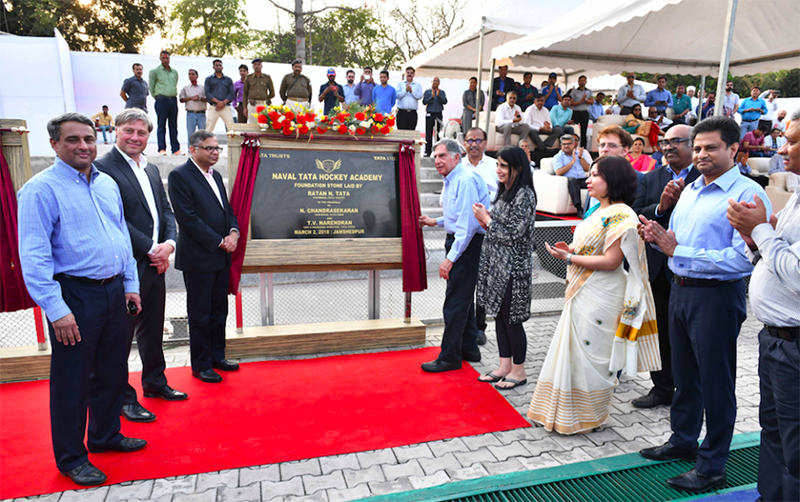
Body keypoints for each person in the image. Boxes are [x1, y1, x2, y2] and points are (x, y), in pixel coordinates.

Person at [639, 116, 771, 494]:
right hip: (680, 290)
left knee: (716, 382)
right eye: (697, 148)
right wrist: (657, 233)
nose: (701, 154)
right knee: (684, 375)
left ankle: (713, 466)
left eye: (711, 147)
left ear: (733, 149)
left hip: (715, 296)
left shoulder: (747, 195)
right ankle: (683, 440)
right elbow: (673, 242)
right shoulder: (690, 189)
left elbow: (743, 259)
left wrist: (678, 249)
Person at [17, 113, 145, 486]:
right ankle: (72, 457)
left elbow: (120, 234)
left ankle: (105, 436)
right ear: (55, 145)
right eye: (73, 140)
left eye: (89, 139)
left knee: (111, 371)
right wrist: (57, 311)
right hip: (74, 296)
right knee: (73, 382)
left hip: (113, 290)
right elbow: (35, 255)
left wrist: (130, 283)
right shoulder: (41, 190)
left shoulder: (106, 184)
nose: (84, 146)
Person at [529, 155, 659, 434]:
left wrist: (569, 258)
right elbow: (592, 250)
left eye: (596, 175)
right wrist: (573, 251)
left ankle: (589, 417)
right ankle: (563, 413)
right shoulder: (597, 211)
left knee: (593, 355)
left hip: (603, 291)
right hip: (585, 290)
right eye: (590, 174)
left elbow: (612, 261)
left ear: (613, 181)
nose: (589, 179)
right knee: (575, 354)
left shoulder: (623, 215)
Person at [94, 109, 187, 423]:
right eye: (129, 131)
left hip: (155, 264)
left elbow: (166, 212)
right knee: (121, 338)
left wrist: (169, 245)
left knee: (152, 330)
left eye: (141, 132)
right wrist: (151, 248)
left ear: (149, 135)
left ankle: (155, 382)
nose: (135, 137)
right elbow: (114, 219)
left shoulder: (149, 168)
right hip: (125, 267)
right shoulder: (102, 168)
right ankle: (124, 398)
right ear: (116, 131)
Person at [727, 108, 800, 502]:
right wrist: (757, 242)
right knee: (772, 431)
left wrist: (759, 230)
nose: (782, 148)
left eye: (791, 141)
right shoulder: (796, 197)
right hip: (776, 340)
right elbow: (776, 257)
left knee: (795, 445)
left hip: (794, 344)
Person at [630, 125, 700, 410]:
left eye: (676, 142)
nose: (669, 147)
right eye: (665, 143)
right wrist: (661, 207)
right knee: (660, 332)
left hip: (693, 269)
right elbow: (636, 213)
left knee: (688, 335)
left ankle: (689, 392)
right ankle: (661, 388)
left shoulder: (704, 177)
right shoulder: (653, 178)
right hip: (659, 269)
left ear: (693, 145)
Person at [168, 130, 241, 384]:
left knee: (219, 310)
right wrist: (218, 241)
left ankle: (217, 356)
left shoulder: (216, 175)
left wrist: (233, 232)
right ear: (193, 149)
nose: (214, 152)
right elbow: (187, 218)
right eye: (208, 148)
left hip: (221, 256)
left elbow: (227, 209)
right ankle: (200, 364)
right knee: (200, 313)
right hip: (199, 258)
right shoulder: (180, 176)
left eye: (216, 148)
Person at [418, 139, 489, 372]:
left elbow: (468, 225)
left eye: (442, 156)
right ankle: (469, 348)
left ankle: (449, 357)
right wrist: (435, 221)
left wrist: (450, 259)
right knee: (463, 299)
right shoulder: (453, 178)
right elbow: (457, 216)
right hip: (461, 241)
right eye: (435, 157)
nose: (437, 161)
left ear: (456, 157)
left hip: (466, 245)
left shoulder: (465, 180)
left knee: (455, 303)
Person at [473, 146, 537, 390]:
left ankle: (519, 371)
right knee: (499, 315)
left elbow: (512, 233)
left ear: (517, 169)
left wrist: (486, 220)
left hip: (513, 267)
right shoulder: (506, 191)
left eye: (503, 166)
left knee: (512, 319)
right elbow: (501, 224)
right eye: (497, 165)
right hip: (497, 266)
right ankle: (504, 366)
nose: (498, 170)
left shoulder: (525, 194)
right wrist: (487, 216)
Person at [459, 127, 500, 345]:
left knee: (482, 281)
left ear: (485, 143)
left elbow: (502, 196)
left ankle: (480, 327)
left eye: (478, 140)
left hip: (488, 230)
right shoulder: (458, 166)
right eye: (469, 140)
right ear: (464, 143)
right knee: (465, 280)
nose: (474, 144)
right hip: (464, 231)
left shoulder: (495, 166)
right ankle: (466, 325)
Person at [149, 51, 181, 156]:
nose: (166, 60)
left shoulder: (174, 72)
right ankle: (161, 148)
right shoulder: (155, 71)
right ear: (160, 58)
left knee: (173, 125)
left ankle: (176, 149)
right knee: (161, 125)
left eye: (167, 58)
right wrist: (157, 97)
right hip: (162, 100)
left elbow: (175, 84)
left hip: (173, 99)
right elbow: (151, 87)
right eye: (163, 58)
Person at [553, 134, 592, 215]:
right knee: (573, 181)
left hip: (582, 179)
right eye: (564, 144)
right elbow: (559, 172)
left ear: (573, 144)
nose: (566, 146)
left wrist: (580, 157)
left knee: (594, 181)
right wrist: (572, 162)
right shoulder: (558, 157)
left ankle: (593, 208)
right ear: (560, 145)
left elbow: (587, 169)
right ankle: (579, 210)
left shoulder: (579, 153)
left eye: (568, 144)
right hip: (569, 181)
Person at [204, 59, 235, 132]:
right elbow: (207, 93)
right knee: (209, 129)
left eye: (220, 65)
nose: (218, 67)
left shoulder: (228, 80)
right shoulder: (209, 79)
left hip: (225, 107)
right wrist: (218, 102)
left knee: (231, 128)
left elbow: (231, 93)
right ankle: (208, 143)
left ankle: (232, 143)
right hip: (214, 107)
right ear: (213, 67)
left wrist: (223, 103)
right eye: (216, 65)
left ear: (222, 67)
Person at [244, 58, 275, 124]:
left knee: (264, 124)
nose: (257, 66)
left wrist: (265, 99)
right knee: (252, 124)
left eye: (258, 64)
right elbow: (245, 94)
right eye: (255, 64)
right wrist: (245, 107)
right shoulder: (249, 78)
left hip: (263, 104)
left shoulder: (267, 77)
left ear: (261, 66)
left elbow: (272, 93)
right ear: (253, 66)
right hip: (252, 105)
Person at [179, 69, 207, 140]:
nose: (191, 76)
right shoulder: (186, 88)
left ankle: (202, 149)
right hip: (190, 113)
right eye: (189, 74)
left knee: (202, 134)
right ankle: (190, 150)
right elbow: (181, 99)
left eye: (193, 74)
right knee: (191, 134)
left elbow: (208, 99)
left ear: (197, 76)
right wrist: (190, 98)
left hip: (201, 113)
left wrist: (199, 98)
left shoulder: (202, 87)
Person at [423, 77, 448, 156]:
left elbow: (445, 101)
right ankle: (427, 151)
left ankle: (438, 152)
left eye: (437, 81)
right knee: (428, 133)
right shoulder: (427, 92)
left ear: (439, 83)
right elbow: (424, 102)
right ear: (431, 82)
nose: (435, 83)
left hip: (438, 114)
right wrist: (432, 97)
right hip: (430, 113)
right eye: (434, 81)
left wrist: (438, 96)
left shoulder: (441, 92)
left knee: (438, 134)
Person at [570, 76, 592, 149]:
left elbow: (592, 102)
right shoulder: (574, 92)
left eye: (583, 80)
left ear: (586, 82)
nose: (582, 82)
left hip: (584, 113)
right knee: (574, 130)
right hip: (576, 112)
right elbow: (570, 103)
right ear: (578, 82)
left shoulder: (589, 91)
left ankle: (583, 149)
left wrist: (585, 100)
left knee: (584, 132)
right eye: (581, 80)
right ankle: (573, 147)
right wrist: (580, 101)